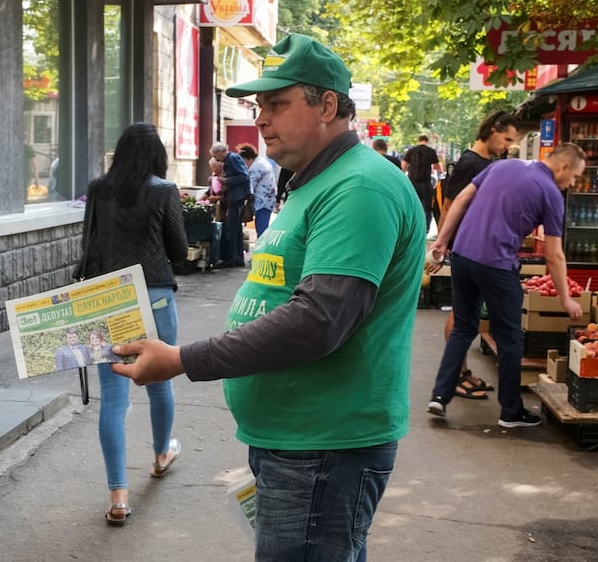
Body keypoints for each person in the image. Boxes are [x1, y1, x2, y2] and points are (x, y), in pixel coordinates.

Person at [110, 34, 424, 561]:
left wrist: (184, 360)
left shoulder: (360, 187)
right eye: (259, 106)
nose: (260, 119)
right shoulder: (312, 181)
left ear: (327, 105)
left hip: (323, 446)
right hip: (297, 439)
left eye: (277, 104)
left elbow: (318, 320)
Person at [426, 142, 586, 427]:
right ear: (563, 166)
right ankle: (510, 412)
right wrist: (565, 298)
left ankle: (439, 396)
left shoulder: (502, 165)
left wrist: (442, 241)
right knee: (510, 337)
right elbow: (554, 254)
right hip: (497, 265)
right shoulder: (551, 193)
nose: (571, 183)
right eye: (574, 177)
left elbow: (462, 198)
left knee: (464, 327)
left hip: (462, 255)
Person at [78, 122, 188, 526]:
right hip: (155, 295)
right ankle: (161, 455)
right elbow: (178, 251)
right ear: (157, 154)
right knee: (161, 380)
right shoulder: (164, 190)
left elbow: (88, 245)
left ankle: (119, 497)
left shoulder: (98, 189)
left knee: (114, 398)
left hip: (109, 297)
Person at [438, 112, 519, 399]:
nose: (508, 145)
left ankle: (462, 372)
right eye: (506, 138)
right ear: (493, 130)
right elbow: (449, 205)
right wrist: (444, 244)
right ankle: (457, 375)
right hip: (464, 247)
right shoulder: (470, 162)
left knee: (467, 314)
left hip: (476, 246)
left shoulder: (487, 163)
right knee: (462, 315)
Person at [210, 141, 249, 268]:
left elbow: (243, 176)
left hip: (237, 197)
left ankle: (231, 259)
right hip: (236, 196)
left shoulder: (232, 159)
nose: (217, 160)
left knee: (231, 229)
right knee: (236, 229)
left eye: (216, 156)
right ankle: (237, 259)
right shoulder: (232, 159)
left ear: (221, 152)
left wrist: (226, 180)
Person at [402, 133, 442, 231]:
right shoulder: (431, 151)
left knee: (413, 206)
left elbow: (403, 166)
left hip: (412, 183)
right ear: (427, 141)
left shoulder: (411, 151)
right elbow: (439, 168)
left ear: (418, 140)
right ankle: (426, 228)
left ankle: (412, 227)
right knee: (428, 207)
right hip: (426, 183)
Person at [237, 142, 277, 237]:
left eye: (243, 161)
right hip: (267, 200)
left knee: (262, 231)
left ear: (248, 158)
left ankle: (262, 250)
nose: (244, 164)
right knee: (262, 228)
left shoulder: (257, 167)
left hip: (262, 202)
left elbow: (249, 186)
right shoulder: (262, 162)